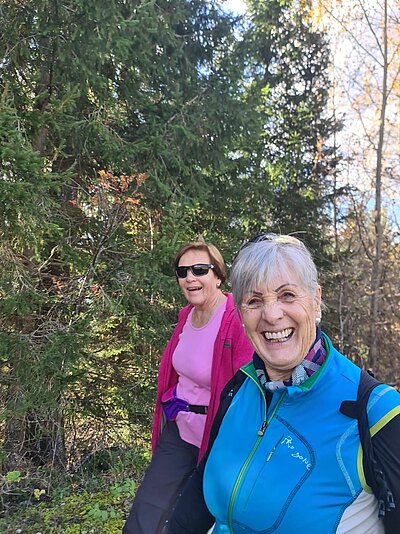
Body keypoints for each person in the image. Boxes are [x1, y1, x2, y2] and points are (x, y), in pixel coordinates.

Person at [167, 233, 400, 534]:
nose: (272, 314)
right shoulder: (240, 387)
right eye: (254, 300)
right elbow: (199, 492)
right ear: (240, 315)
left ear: (316, 300)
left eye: (287, 295)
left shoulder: (376, 412)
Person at [123, 239, 253, 534]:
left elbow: (246, 388)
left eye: (199, 269)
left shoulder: (236, 320)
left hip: (219, 440)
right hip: (180, 430)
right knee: (146, 513)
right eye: (183, 272)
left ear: (218, 276)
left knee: (201, 520)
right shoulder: (186, 317)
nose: (190, 278)